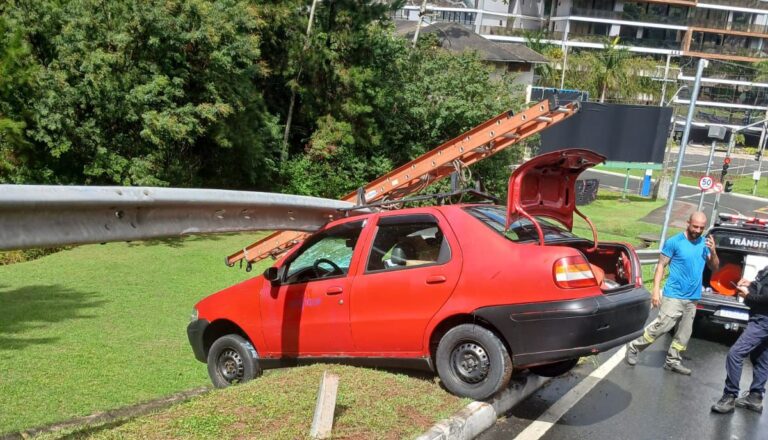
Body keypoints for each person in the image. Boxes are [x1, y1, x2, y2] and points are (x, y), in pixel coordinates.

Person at [625, 211, 718, 374]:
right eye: (695, 226)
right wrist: (655, 290)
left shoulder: (705, 244)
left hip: (693, 297)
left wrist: (714, 252)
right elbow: (661, 265)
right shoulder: (675, 241)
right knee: (662, 327)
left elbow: (715, 267)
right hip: (674, 294)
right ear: (688, 223)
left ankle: (673, 361)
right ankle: (634, 346)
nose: (697, 230)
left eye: (701, 228)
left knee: (684, 334)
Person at [711, 269, 768, 414]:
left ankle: (729, 396)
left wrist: (747, 295)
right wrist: (751, 284)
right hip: (761, 317)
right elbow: (764, 288)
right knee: (761, 357)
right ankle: (755, 397)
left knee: (735, 354)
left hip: (763, 320)